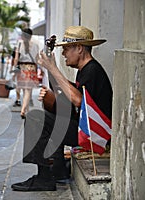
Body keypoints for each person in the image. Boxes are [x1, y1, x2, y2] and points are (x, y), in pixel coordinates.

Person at [11, 26, 113, 191]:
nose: (64, 53)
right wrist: (51, 67)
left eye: (66, 49)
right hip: (85, 129)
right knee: (53, 114)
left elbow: (78, 100)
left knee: (36, 118)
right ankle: (57, 169)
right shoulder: (84, 71)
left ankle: (44, 177)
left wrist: (53, 68)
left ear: (79, 48)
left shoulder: (93, 70)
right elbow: (64, 91)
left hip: (95, 135)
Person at [13, 28, 39, 119]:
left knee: (25, 91)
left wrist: (14, 69)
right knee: (28, 91)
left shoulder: (19, 44)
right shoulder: (36, 45)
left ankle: (24, 110)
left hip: (22, 69)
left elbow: (16, 59)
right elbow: (37, 59)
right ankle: (25, 110)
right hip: (31, 68)